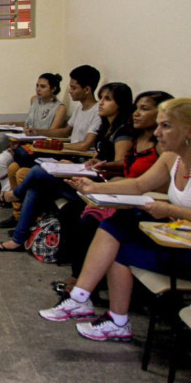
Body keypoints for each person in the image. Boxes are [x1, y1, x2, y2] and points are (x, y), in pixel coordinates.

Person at [38, 97, 191, 342]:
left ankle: (90, 305)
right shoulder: (171, 159)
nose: (158, 132)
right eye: (159, 125)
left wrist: (169, 209)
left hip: (184, 249)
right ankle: (94, 307)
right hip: (176, 241)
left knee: (120, 242)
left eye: (166, 126)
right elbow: (139, 184)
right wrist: (94, 187)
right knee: (117, 225)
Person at [0, 82, 134, 251]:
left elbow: (120, 164)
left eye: (107, 99)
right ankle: (18, 240)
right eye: (101, 97)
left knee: (37, 171)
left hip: (98, 186)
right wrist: (77, 165)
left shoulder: (123, 131)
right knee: (35, 187)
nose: (101, 103)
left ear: (121, 104)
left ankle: (14, 195)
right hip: (86, 174)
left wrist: (93, 166)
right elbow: (98, 156)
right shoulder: (106, 128)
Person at [62, 91, 174, 287]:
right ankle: (82, 284)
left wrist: (100, 185)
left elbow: (146, 183)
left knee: (96, 223)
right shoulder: (136, 137)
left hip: (147, 204)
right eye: (136, 108)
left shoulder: (165, 149)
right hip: (129, 194)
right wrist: (106, 168)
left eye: (144, 109)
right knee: (73, 212)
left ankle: (84, 285)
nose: (137, 113)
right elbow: (134, 174)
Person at [0, 65, 103, 230]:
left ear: (87, 89)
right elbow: (66, 131)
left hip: (76, 159)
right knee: (13, 167)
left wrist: (56, 147)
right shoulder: (80, 109)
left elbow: (85, 145)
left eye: (73, 88)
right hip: (67, 154)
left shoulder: (96, 112)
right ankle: (17, 216)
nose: (69, 92)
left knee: (23, 172)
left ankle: (28, 217)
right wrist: (39, 133)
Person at [0, 73, 66, 209]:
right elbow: (28, 124)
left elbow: (52, 134)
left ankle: (5, 197)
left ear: (53, 89)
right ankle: (6, 194)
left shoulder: (60, 108)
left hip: (39, 147)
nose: (38, 89)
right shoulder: (34, 100)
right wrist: (13, 124)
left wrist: (34, 133)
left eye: (43, 87)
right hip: (23, 143)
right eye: (37, 86)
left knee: (16, 164)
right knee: (0, 160)